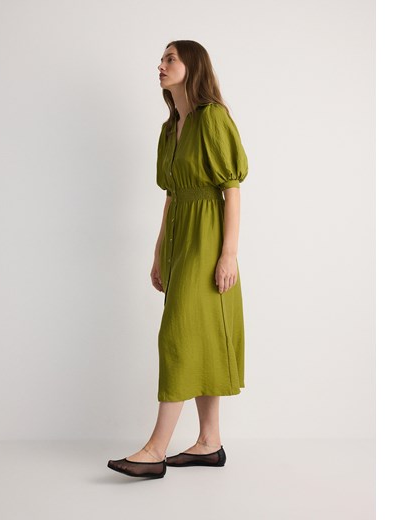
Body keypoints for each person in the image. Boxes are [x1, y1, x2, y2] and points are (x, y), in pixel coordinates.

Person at [108, 40, 248, 479]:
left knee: (178, 335)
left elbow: (231, 188)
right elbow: (171, 194)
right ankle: (209, 442)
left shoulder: (212, 118)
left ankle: (155, 449)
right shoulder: (170, 128)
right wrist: (158, 251)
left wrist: (228, 254)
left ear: (193, 66)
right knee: (198, 336)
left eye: (170, 58)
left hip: (207, 236)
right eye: (161, 59)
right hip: (179, 237)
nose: (161, 65)